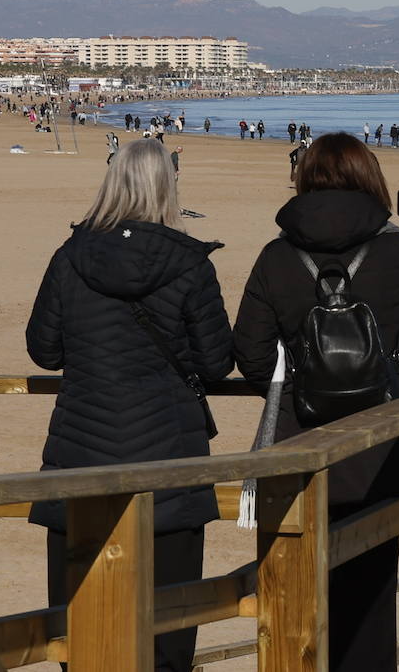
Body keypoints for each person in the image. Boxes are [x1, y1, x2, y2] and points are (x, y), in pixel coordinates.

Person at [232, 132, 399, 672]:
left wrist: (301, 391)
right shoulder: (394, 249)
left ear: (304, 179)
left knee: (295, 595)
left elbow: (249, 354)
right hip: (384, 446)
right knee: (369, 593)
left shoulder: (276, 255)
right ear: (370, 179)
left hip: (300, 449)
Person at [26, 138, 232, 671]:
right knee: (167, 627)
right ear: (169, 187)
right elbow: (215, 363)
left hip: (81, 456)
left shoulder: (70, 256)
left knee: (80, 626)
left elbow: (44, 351)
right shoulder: (190, 263)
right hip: (170, 461)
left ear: (111, 182)